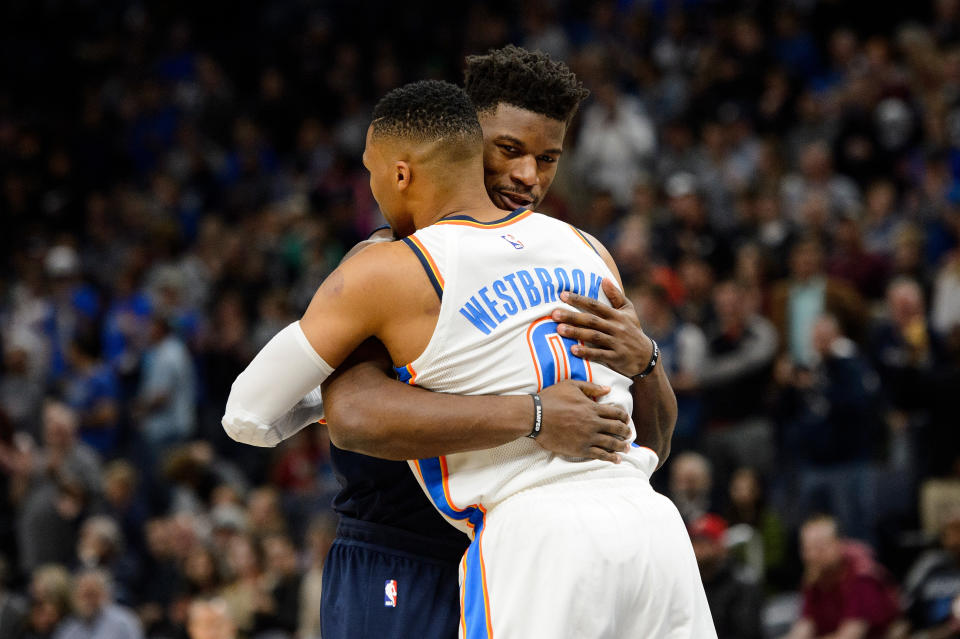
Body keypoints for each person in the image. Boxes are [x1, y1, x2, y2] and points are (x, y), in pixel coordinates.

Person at [223, 80, 711, 637]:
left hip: (524, 535)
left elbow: (249, 415)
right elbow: (647, 446)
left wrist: (646, 361)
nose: (529, 176)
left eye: (548, 158)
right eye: (510, 150)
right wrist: (537, 414)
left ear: (400, 171)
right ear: (466, 143)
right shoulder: (587, 249)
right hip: (629, 528)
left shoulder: (392, 266)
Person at [779, 516, 900, 639]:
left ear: (840, 544)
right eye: (807, 549)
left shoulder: (862, 576)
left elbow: (850, 635)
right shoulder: (815, 579)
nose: (812, 555)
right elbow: (805, 626)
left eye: (820, 548)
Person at [691, 513, 764, 639]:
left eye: (704, 542)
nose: (697, 549)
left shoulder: (742, 586)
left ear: (720, 546)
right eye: (694, 542)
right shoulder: (690, 585)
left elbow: (747, 633)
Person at [52, 569, 143, 639]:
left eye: (92, 594)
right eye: (82, 595)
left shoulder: (124, 622)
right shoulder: (69, 627)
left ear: (105, 595)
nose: (87, 601)